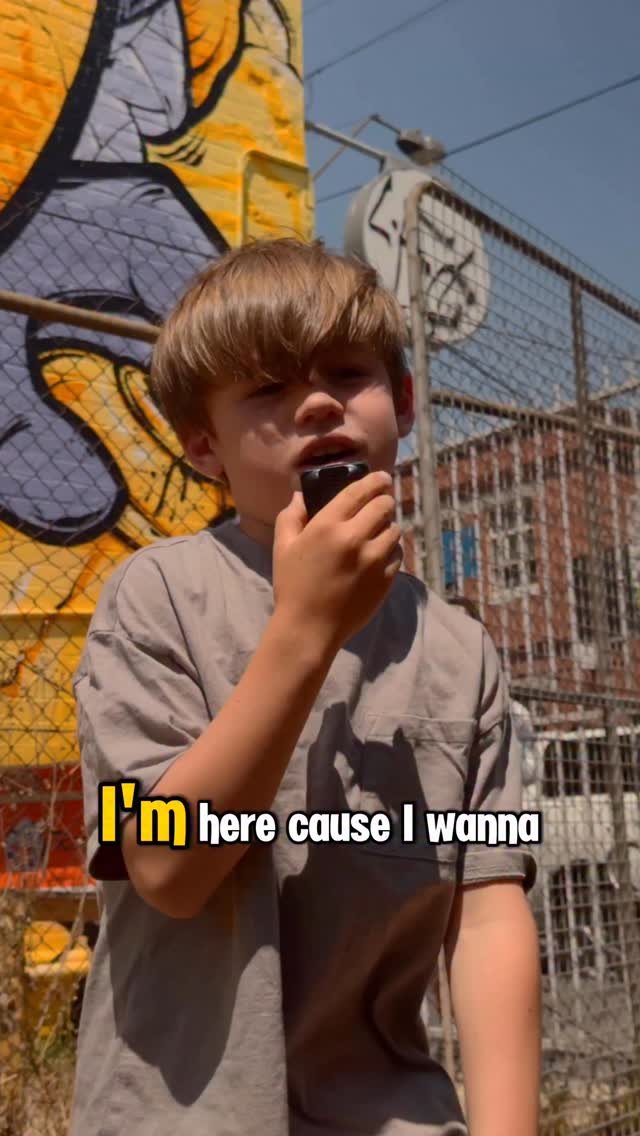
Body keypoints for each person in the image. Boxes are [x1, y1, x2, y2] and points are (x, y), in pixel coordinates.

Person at [70, 238, 541, 1136]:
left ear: (404, 400)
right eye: (267, 389)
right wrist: (305, 632)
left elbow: (487, 913)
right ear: (202, 443)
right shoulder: (157, 598)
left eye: (349, 373)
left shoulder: (462, 653)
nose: (319, 401)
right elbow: (164, 864)